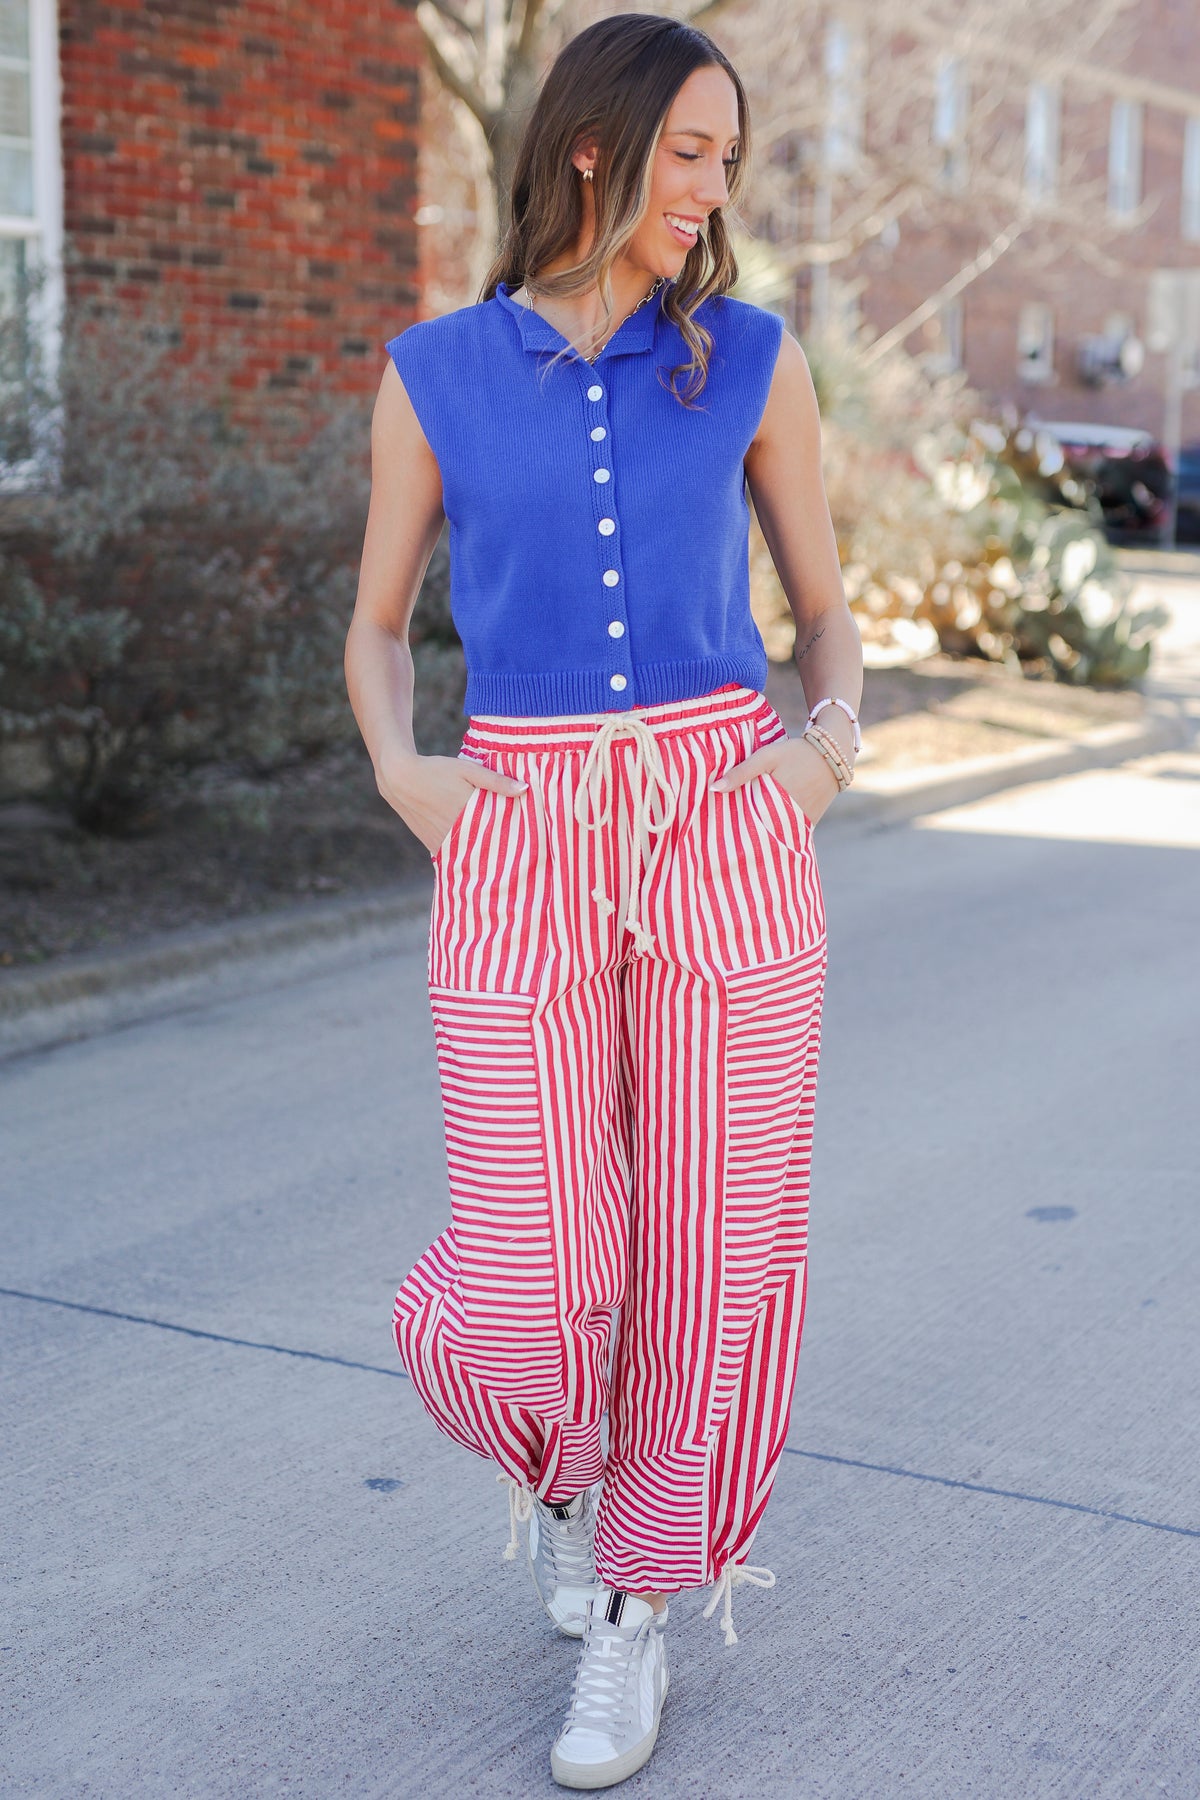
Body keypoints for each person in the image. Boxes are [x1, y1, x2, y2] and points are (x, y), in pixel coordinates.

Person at [344, 12, 863, 1788]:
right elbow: (375, 622)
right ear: (596, 147)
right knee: (535, 1276)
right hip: (516, 827)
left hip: (724, 814)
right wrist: (404, 770)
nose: (715, 191)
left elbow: (825, 604)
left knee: (712, 1254)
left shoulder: (754, 358)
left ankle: (641, 1608)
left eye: (731, 159)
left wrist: (825, 746)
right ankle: (568, 1470)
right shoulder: (432, 369)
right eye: (694, 153)